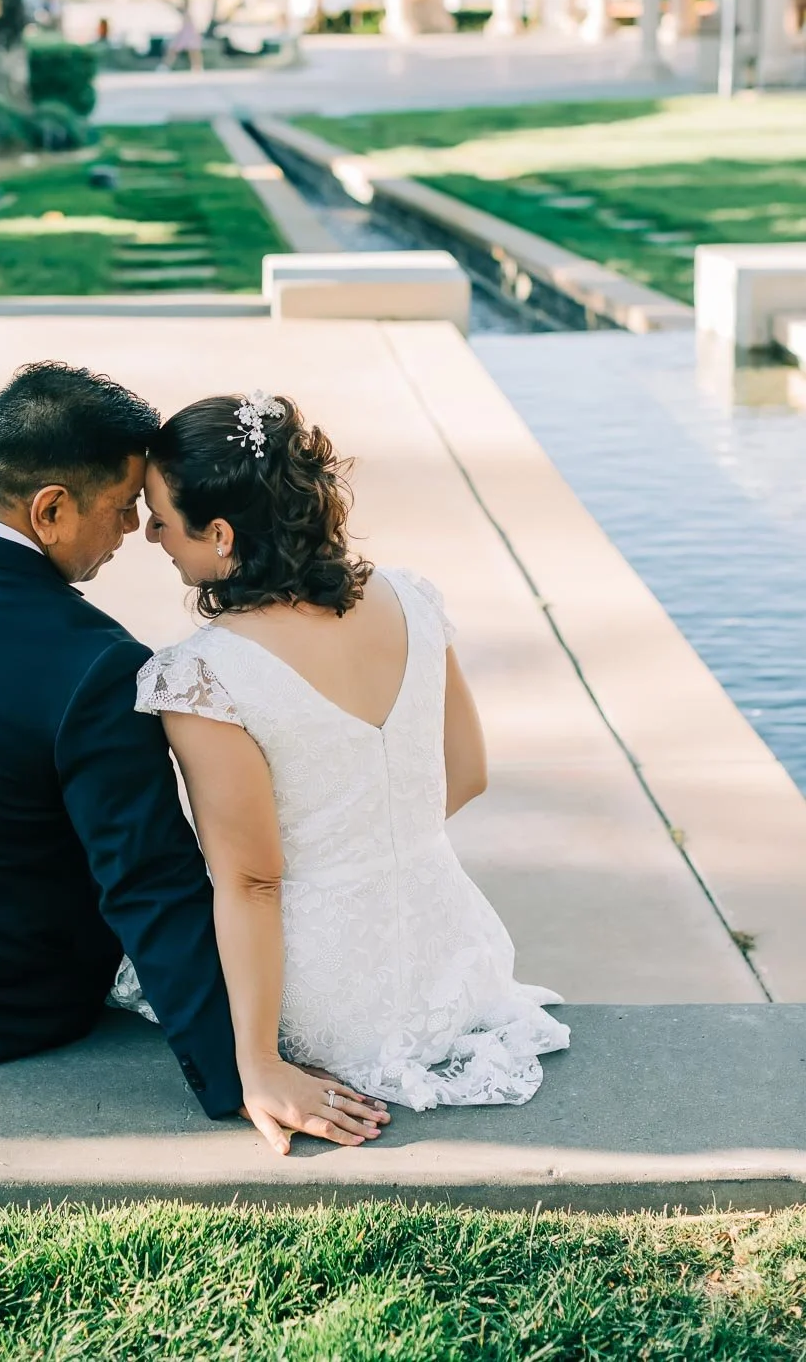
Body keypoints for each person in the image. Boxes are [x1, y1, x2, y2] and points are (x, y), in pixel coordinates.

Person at [0, 363, 387, 1149]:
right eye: (123, 510)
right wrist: (244, 1071)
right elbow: (148, 883)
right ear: (50, 509)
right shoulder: (95, 664)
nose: (135, 533)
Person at [115, 391, 569, 1151]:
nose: (150, 534)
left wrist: (257, 1065)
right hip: (452, 954)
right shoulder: (411, 598)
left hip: (323, 991)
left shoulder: (202, 676)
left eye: (159, 515)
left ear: (220, 535)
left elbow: (251, 882)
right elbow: (467, 773)